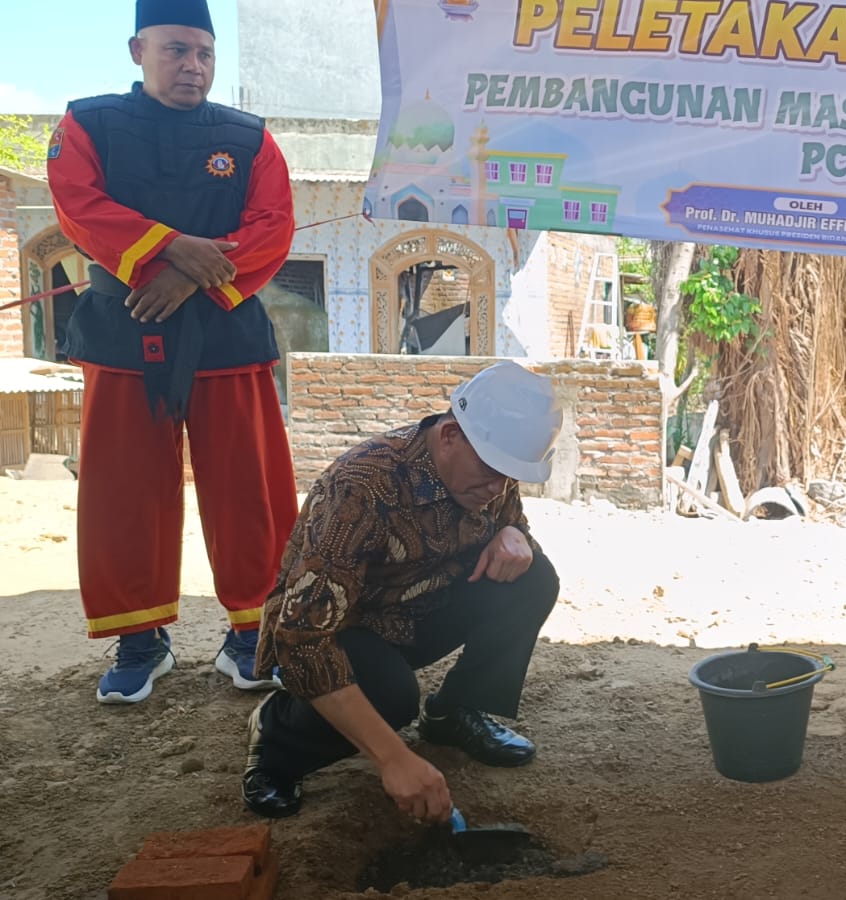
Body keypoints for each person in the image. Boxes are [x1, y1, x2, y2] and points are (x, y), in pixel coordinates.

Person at [46, 0, 299, 704]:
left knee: (249, 489)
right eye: (176, 50)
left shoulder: (249, 139)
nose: (193, 66)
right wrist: (169, 248)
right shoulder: (88, 124)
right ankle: (140, 639)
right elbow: (78, 207)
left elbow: (274, 224)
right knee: (124, 491)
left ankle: (252, 633)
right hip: (124, 327)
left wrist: (186, 274)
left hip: (226, 329)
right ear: (138, 50)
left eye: (204, 53)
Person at [243, 363, 564, 821]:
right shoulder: (362, 486)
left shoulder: (488, 476)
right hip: (342, 631)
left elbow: (510, 518)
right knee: (392, 697)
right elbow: (302, 640)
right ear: (449, 435)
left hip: (415, 609)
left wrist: (515, 535)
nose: (499, 489)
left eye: (511, 476)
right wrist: (393, 759)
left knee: (533, 579)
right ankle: (276, 736)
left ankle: (453, 713)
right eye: (493, 471)